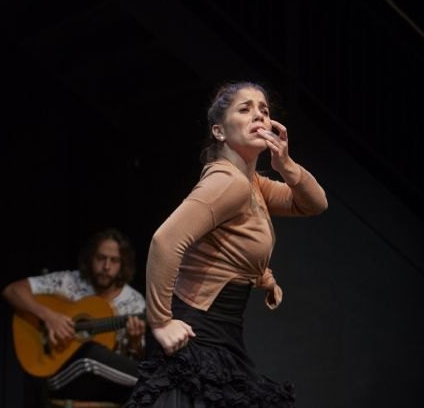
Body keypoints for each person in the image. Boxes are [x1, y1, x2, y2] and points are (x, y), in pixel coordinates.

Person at [125, 81, 328, 407]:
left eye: (264, 110)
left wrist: (285, 165)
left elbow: (314, 204)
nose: (259, 116)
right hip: (199, 334)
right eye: (245, 109)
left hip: (222, 335)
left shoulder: (252, 183)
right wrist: (161, 322)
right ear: (219, 131)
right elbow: (165, 241)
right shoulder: (228, 182)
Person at [2, 228, 147, 404]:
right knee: (89, 353)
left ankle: (152, 383)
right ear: (90, 258)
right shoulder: (68, 282)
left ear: (123, 264)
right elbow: (12, 291)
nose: (106, 266)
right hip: (61, 373)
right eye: (101, 258)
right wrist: (49, 316)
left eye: (114, 260)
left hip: (108, 385)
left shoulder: (134, 302)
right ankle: (152, 381)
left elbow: (135, 359)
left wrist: (134, 341)